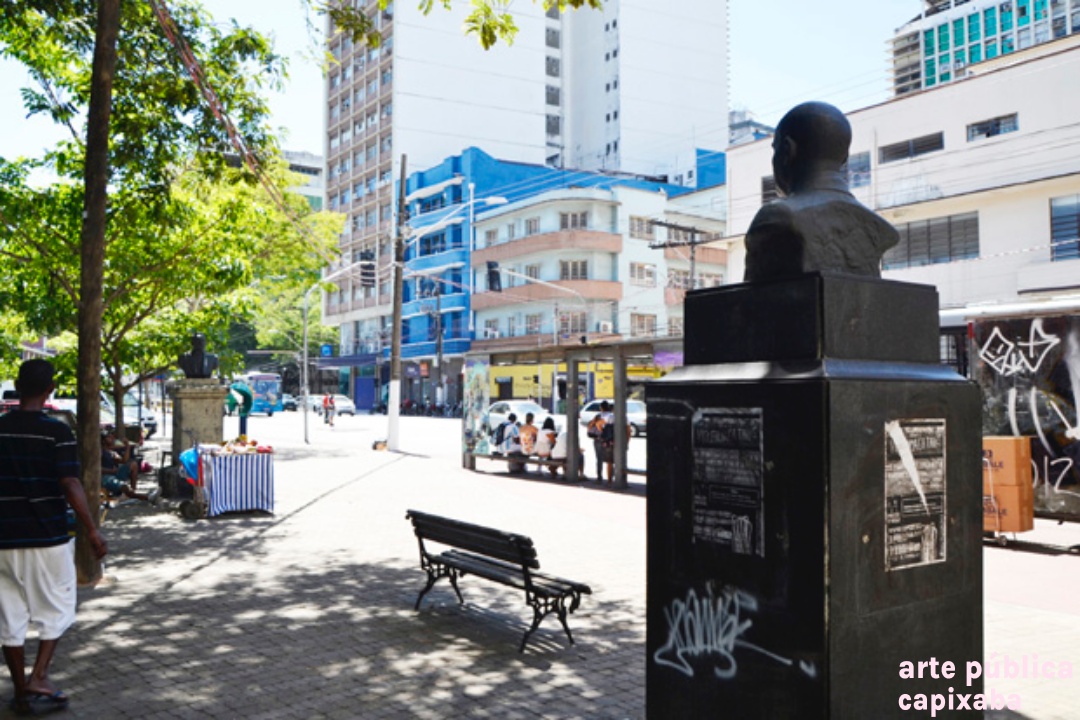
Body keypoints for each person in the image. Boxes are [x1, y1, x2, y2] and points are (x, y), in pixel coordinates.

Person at [0, 359, 107, 715]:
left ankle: (21, 693)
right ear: (50, 390)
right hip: (46, 538)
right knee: (57, 607)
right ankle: (40, 675)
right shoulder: (57, 432)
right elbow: (70, 483)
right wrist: (91, 529)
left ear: (17, 387)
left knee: (9, 618)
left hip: (3, 540)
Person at [743, 101, 899, 282]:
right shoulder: (876, 225)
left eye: (775, 149)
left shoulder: (778, 217)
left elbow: (754, 298)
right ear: (845, 158)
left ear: (787, 150)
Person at [100, 431, 158, 505]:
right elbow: (98, 469)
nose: (112, 438)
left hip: (115, 474)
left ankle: (133, 492)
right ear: (103, 440)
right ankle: (147, 497)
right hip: (106, 477)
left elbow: (124, 460)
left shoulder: (111, 452)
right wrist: (111, 471)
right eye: (109, 437)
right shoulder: (100, 452)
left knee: (133, 464)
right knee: (125, 487)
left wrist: (127, 447)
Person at [586, 402, 611, 481]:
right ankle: (610, 477)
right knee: (611, 459)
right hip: (610, 440)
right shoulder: (612, 416)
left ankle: (599, 476)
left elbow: (590, 426)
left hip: (598, 439)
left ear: (601, 408)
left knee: (599, 458)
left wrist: (601, 431)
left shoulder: (598, 416)